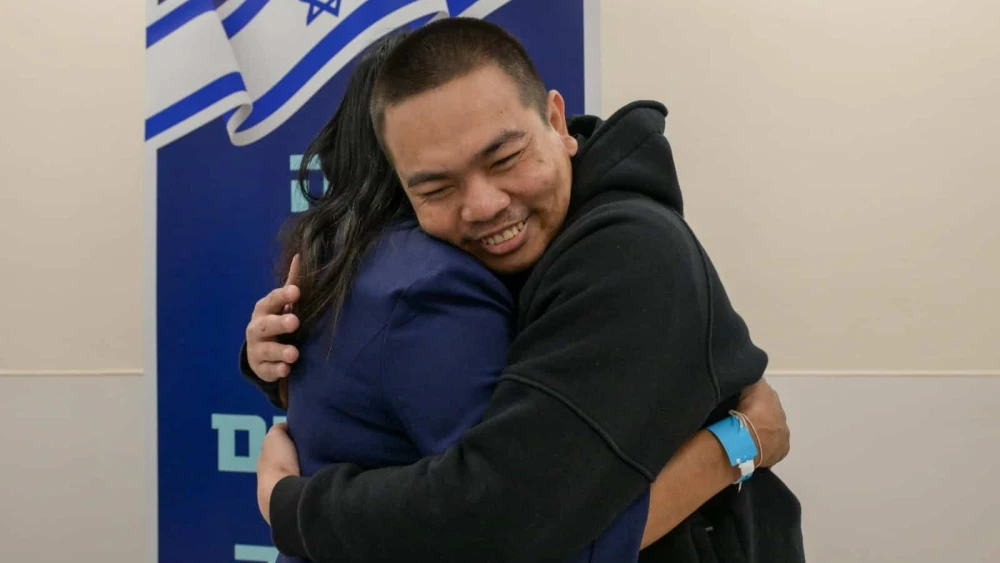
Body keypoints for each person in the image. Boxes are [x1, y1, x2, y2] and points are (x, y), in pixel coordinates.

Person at [245, 18, 804, 563]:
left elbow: (504, 523)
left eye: (505, 158)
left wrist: (289, 503)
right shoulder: (456, 260)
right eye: (437, 186)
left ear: (558, 122)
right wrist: (270, 359)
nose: (484, 204)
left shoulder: (628, 254)